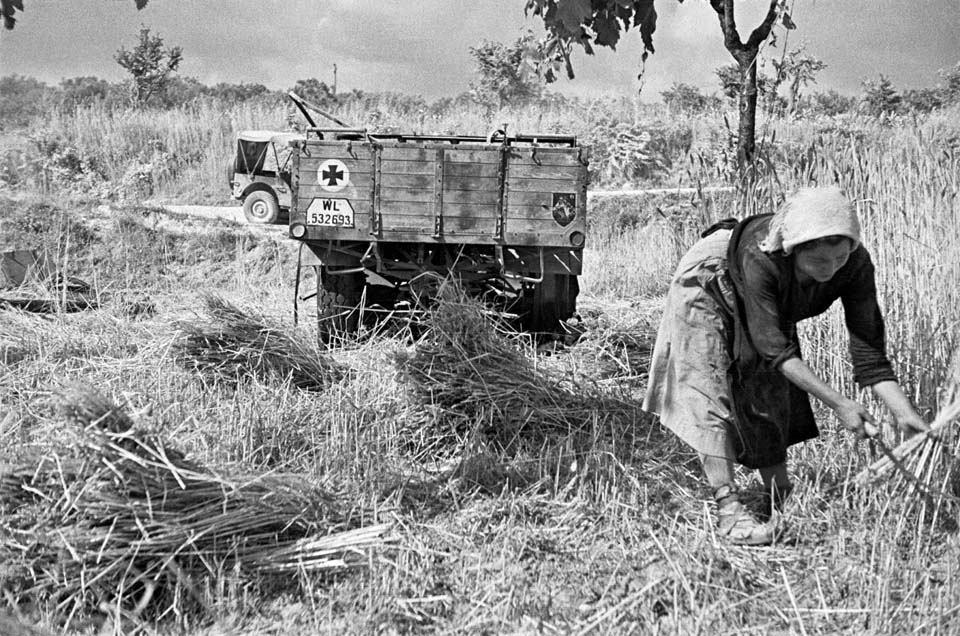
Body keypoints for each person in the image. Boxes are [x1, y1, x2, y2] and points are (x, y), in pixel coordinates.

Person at [642, 186, 927, 545]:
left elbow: (869, 353)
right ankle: (729, 509)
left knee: (770, 387)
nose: (832, 269)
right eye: (820, 262)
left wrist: (903, 412)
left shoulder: (853, 263)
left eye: (839, 259)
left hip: (762, 292)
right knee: (706, 378)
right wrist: (839, 403)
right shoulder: (764, 259)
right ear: (793, 251)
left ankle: (779, 495)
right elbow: (773, 348)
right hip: (713, 274)